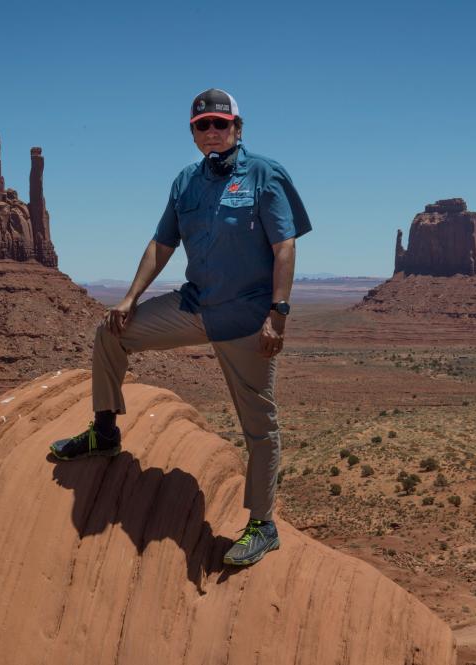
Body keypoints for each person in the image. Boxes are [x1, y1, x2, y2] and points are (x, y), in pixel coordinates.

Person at [51, 88, 311, 566]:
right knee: (110, 333)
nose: (211, 132)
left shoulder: (264, 175)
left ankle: (262, 523)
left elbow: (285, 247)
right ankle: (105, 431)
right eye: (202, 125)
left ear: (238, 127)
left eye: (220, 124)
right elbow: (161, 244)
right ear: (192, 132)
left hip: (245, 319)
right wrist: (130, 298)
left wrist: (278, 315)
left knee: (259, 425)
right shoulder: (185, 182)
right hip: (195, 306)